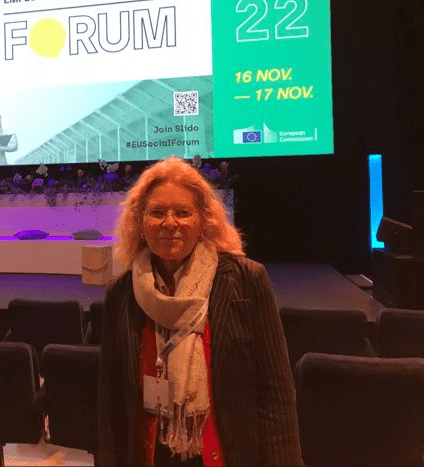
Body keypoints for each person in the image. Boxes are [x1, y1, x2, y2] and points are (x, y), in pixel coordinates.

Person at [98, 156, 302, 466]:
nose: (169, 223)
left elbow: (274, 392)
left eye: (182, 212)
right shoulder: (121, 293)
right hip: (149, 455)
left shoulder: (246, 281)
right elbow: (111, 402)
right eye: (157, 213)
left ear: (202, 221)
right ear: (140, 223)